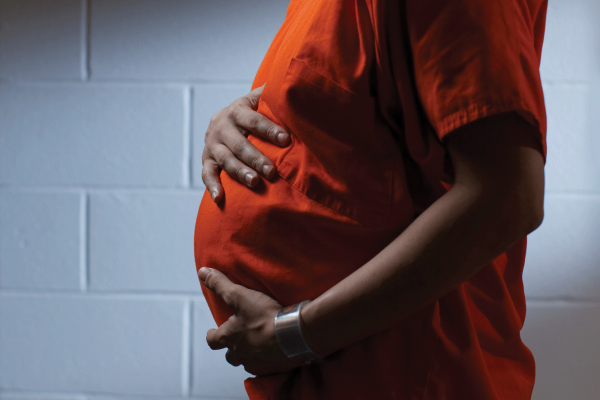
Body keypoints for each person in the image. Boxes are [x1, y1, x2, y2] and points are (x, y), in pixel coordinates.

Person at [194, 0, 548, 398]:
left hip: (412, 371)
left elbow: (506, 197)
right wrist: (241, 118)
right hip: (338, 371)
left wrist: (295, 333)